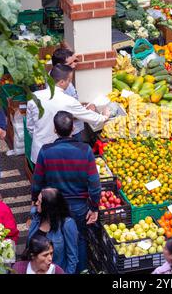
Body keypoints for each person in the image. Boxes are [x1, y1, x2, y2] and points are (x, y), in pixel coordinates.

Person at [31, 111, 101, 273]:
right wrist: (94, 206)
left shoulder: (46, 151)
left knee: (53, 240)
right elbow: (94, 183)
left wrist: (35, 198)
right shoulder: (85, 150)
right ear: (73, 129)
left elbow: (37, 181)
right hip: (78, 206)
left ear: (55, 130)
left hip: (53, 205)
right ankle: (81, 270)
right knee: (79, 240)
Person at [26, 64, 109, 164]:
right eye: (69, 81)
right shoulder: (68, 101)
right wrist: (104, 116)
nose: (69, 83)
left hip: (39, 152)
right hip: (59, 155)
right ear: (61, 82)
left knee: (41, 178)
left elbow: (30, 127)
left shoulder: (34, 97)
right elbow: (90, 117)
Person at [27, 188, 79, 274]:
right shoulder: (36, 216)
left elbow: (72, 257)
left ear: (48, 207)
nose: (36, 203)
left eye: (40, 202)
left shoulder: (67, 224)